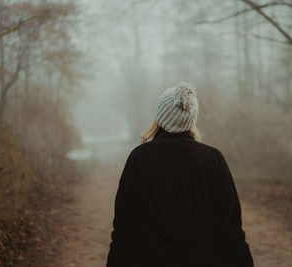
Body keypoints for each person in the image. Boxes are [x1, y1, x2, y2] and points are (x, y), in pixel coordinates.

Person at [106, 82, 254, 267]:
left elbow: (124, 229)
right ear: (191, 119)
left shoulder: (140, 158)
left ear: (160, 117)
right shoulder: (212, 159)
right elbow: (231, 230)